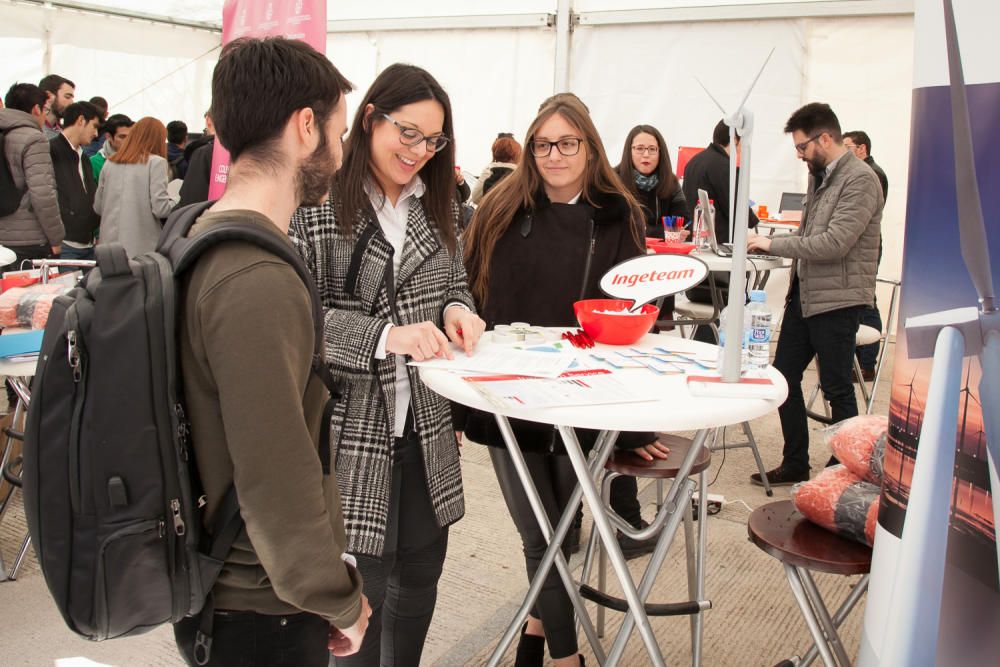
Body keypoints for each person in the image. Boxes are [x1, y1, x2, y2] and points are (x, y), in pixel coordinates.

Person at [171, 36, 370, 666]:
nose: (340, 157)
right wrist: (340, 600)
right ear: (305, 127)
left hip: (230, 593)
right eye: (339, 134)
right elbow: (275, 481)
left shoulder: (199, 230)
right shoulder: (253, 276)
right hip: (258, 609)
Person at [459, 93, 670, 667]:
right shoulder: (498, 209)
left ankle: (535, 627)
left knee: (564, 531)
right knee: (540, 534)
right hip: (508, 395)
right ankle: (567, 657)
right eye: (544, 143)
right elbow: (469, 300)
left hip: (583, 397)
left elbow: (634, 317)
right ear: (531, 149)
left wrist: (632, 426)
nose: (554, 154)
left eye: (567, 143)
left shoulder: (618, 214)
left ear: (589, 147)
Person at [289, 63, 485, 667]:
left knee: (418, 587)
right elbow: (292, 321)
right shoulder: (313, 203)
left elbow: (452, 278)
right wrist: (384, 335)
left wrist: (458, 307)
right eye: (408, 133)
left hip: (427, 429)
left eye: (433, 140)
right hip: (349, 436)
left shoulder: (438, 204)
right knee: (356, 607)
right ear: (368, 118)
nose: (419, 151)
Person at [747, 102, 882, 486]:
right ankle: (795, 463)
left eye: (803, 146)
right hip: (805, 296)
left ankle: (847, 472)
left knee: (837, 387)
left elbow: (834, 243)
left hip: (839, 301)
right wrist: (773, 242)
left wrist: (771, 244)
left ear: (825, 138)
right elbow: (809, 236)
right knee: (783, 377)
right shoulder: (820, 176)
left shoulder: (860, 180)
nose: (800, 154)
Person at [681, 118, 761, 324]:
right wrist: (753, 217)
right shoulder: (722, 165)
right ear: (736, 139)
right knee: (726, 313)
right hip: (721, 260)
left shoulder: (695, 161)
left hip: (699, 255)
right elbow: (739, 210)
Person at [615, 124, 690, 326]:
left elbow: (684, 223)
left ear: (660, 152)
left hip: (660, 269)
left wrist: (649, 231)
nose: (646, 155)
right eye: (639, 149)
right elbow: (620, 226)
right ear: (629, 151)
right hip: (624, 265)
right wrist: (664, 232)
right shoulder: (614, 179)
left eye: (652, 149)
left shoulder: (671, 183)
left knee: (653, 329)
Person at [0, 83, 64, 272]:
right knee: (24, 299)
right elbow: (43, 193)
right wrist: (56, 237)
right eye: (45, 110)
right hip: (27, 240)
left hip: (2, 239)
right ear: (36, 109)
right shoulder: (34, 138)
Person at [94, 116, 178, 256]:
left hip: (107, 248)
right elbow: (161, 209)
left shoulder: (110, 163)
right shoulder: (156, 162)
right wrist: (177, 199)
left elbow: (98, 206)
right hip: (141, 250)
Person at [843, 129, 887, 382]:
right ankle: (862, 361)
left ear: (862, 149)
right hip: (861, 246)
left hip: (866, 248)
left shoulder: (871, 175)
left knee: (867, 301)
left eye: (848, 147)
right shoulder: (863, 172)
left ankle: (867, 363)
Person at [49, 101, 101, 262]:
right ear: (81, 120)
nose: (96, 133)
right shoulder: (51, 150)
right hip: (65, 244)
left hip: (88, 243)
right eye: (94, 126)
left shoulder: (84, 156)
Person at [469, 132, 521, 205]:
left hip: (489, 214)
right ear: (516, 153)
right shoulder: (521, 174)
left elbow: (476, 198)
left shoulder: (489, 170)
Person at [89, 113, 133, 183]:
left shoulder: (138, 160)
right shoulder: (94, 163)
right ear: (108, 136)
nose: (127, 141)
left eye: (130, 137)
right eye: (122, 137)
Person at [38, 74, 75, 139]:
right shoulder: (34, 131)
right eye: (67, 97)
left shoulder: (63, 133)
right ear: (49, 96)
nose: (72, 103)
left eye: (72, 98)